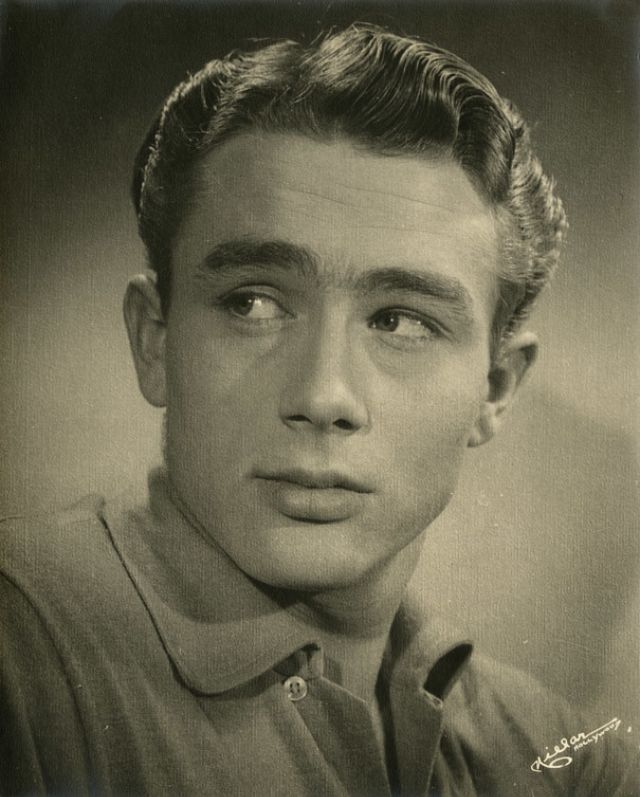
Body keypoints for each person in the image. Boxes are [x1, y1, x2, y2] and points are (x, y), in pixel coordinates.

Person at [0, 23, 637, 797]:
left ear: (495, 388)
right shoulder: (19, 657)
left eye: (400, 320)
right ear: (155, 340)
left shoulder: (562, 756)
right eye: (254, 303)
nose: (322, 395)